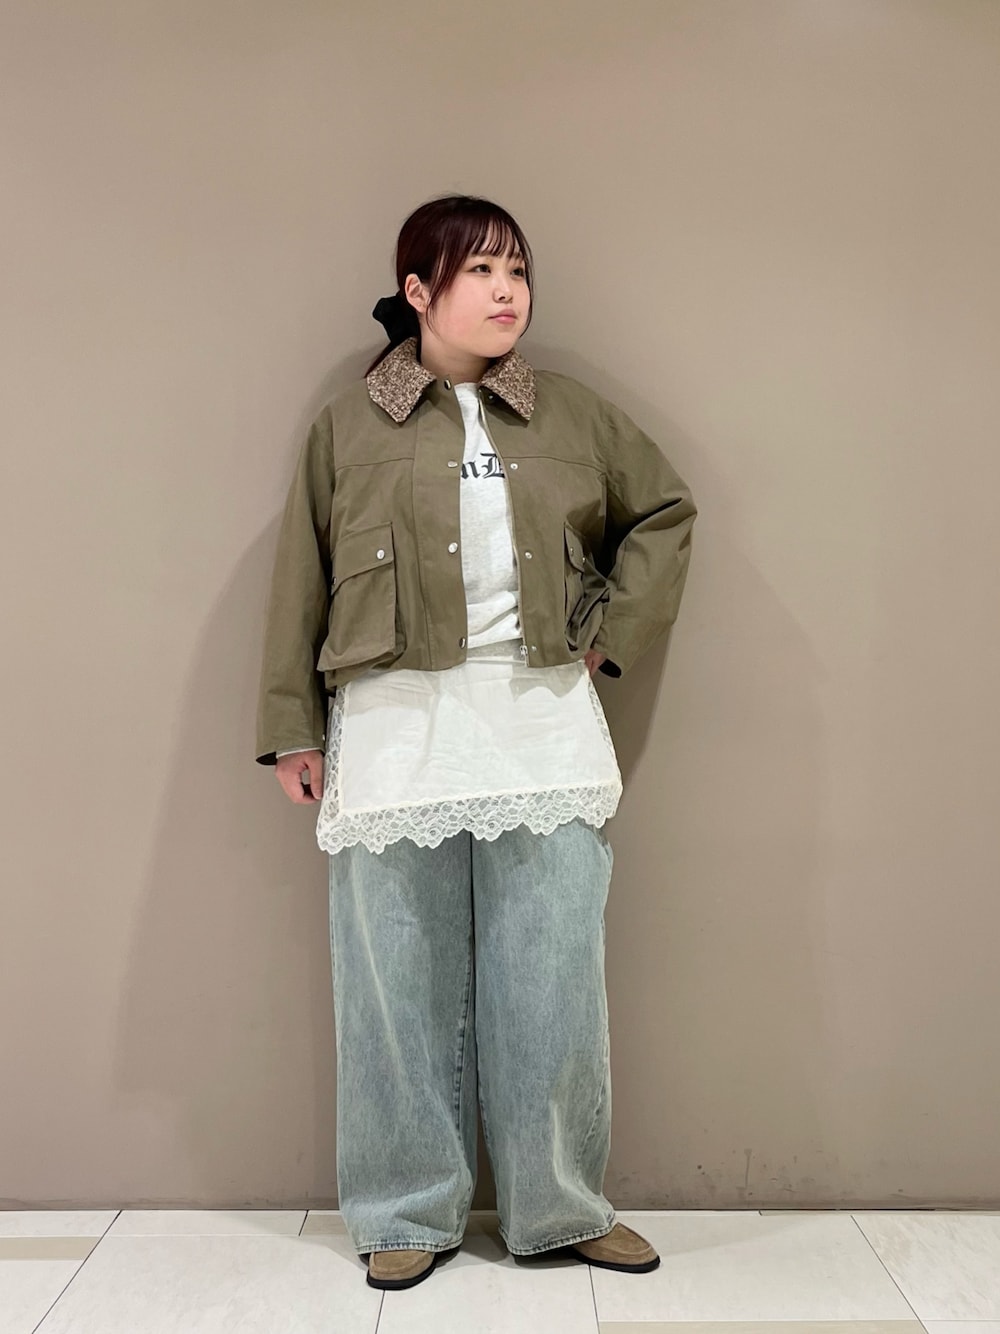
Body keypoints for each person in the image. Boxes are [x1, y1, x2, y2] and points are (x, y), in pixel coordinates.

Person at [255, 194, 697, 1291]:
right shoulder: (349, 425)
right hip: (395, 726)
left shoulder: (572, 416)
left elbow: (664, 512)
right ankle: (404, 1206)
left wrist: (607, 637)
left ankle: (561, 1205)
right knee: (392, 983)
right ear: (418, 291)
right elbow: (301, 576)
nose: (508, 292)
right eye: (481, 271)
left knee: (552, 976)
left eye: (519, 271)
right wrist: (290, 727)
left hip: (539, 721)